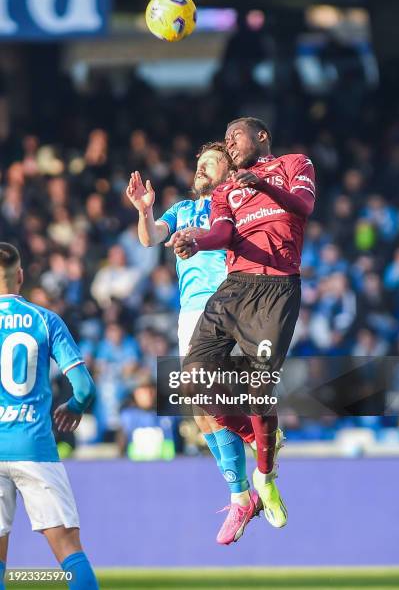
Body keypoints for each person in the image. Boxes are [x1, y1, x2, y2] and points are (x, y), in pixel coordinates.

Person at [174, 117, 316, 529]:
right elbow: (222, 233)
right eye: (228, 140)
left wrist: (264, 185)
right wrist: (196, 239)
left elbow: (304, 207)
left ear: (262, 136)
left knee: (258, 395)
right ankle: (256, 436)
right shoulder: (226, 191)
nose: (231, 144)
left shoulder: (295, 164)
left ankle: (265, 478)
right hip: (235, 287)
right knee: (191, 380)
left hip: (277, 290)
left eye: (236, 136)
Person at [126, 142, 263, 545]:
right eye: (199, 164)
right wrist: (145, 211)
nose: (201, 169)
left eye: (210, 163)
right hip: (189, 314)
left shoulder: (234, 205)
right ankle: (244, 492)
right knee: (201, 409)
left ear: (226, 171)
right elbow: (151, 239)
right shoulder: (181, 210)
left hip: (227, 307)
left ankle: (249, 483)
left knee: (219, 398)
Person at [0, 243, 98, 590]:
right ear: (21, 276)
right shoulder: (45, 320)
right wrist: (73, 408)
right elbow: (85, 389)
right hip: (34, 447)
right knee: (70, 551)